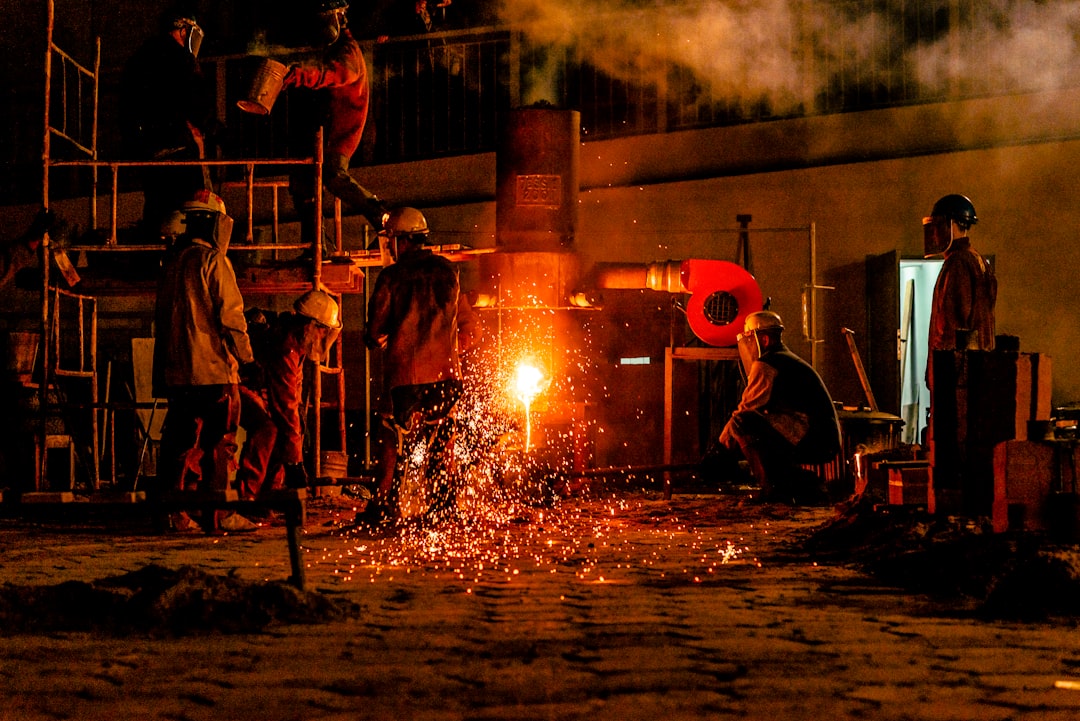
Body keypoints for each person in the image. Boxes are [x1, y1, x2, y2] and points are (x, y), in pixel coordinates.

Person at [360, 207, 478, 524]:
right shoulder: (449, 273)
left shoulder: (392, 276)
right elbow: (471, 330)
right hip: (447, 377)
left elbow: (375, 329)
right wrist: (448, 353)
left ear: (403, 240)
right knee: (441, 442)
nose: (389, 248)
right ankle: (442, 507)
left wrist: (375, 339)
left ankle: (385, 506)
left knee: (392, 441)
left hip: (405, 379)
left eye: (391, 241)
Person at [153, 191, 255, 532]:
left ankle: (174, 514)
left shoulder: (173, 262)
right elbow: (231, 316)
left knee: (179, 446)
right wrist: (247, 358)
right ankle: (219, 514)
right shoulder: (212, 260)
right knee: (220, 445)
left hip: (179, 373)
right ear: (215, 222)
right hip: (214, 371)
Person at [273, 0, 389, 257]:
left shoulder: (348, 52)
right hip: (324, 132)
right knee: (302, 184)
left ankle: (380, 215)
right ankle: (317, 247)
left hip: (341, 132)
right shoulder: (334, 49)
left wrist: (296, 76)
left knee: (335, 175)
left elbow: (332, 75)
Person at [718, 310, 841, 504]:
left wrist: (721, 448)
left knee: (742, 422)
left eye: (751, 339)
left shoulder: (768, 364)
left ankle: (772, 488)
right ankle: (799, 483)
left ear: (764, 340)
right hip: (818, 436)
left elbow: (747, 408)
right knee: (756, 422)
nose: (748, 346)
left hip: (813, 438)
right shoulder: (787, 359)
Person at [235, 290, 343, 500]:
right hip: (236, 384)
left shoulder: (296, 342)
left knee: (291, 427)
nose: (323, 337)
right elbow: (284, 404)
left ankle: (271, 494)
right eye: (323, 331)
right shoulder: (286, 347)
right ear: (311, 325)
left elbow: (293, 394)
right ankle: (247, 497)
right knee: (269, 428)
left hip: (260, 389)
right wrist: (295, 463)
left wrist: (298, 425)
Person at [120, 3, 214, 239]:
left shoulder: (138, 60)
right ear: (184, 31)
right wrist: (218, 130)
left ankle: (154, 258)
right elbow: (195, 103)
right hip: (178, 147)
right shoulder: (182, 59)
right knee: (192, 210)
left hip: (148, 152)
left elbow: (126, 107)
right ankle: (190, 259)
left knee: (157, 208)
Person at [924, 194, 997, 361]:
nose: (934, 234)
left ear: (951, 224)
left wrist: (941, 369)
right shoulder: (978, 261)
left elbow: (951, 325)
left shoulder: (957, 263)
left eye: (938, 226)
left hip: (958, 371)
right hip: (978, 367)